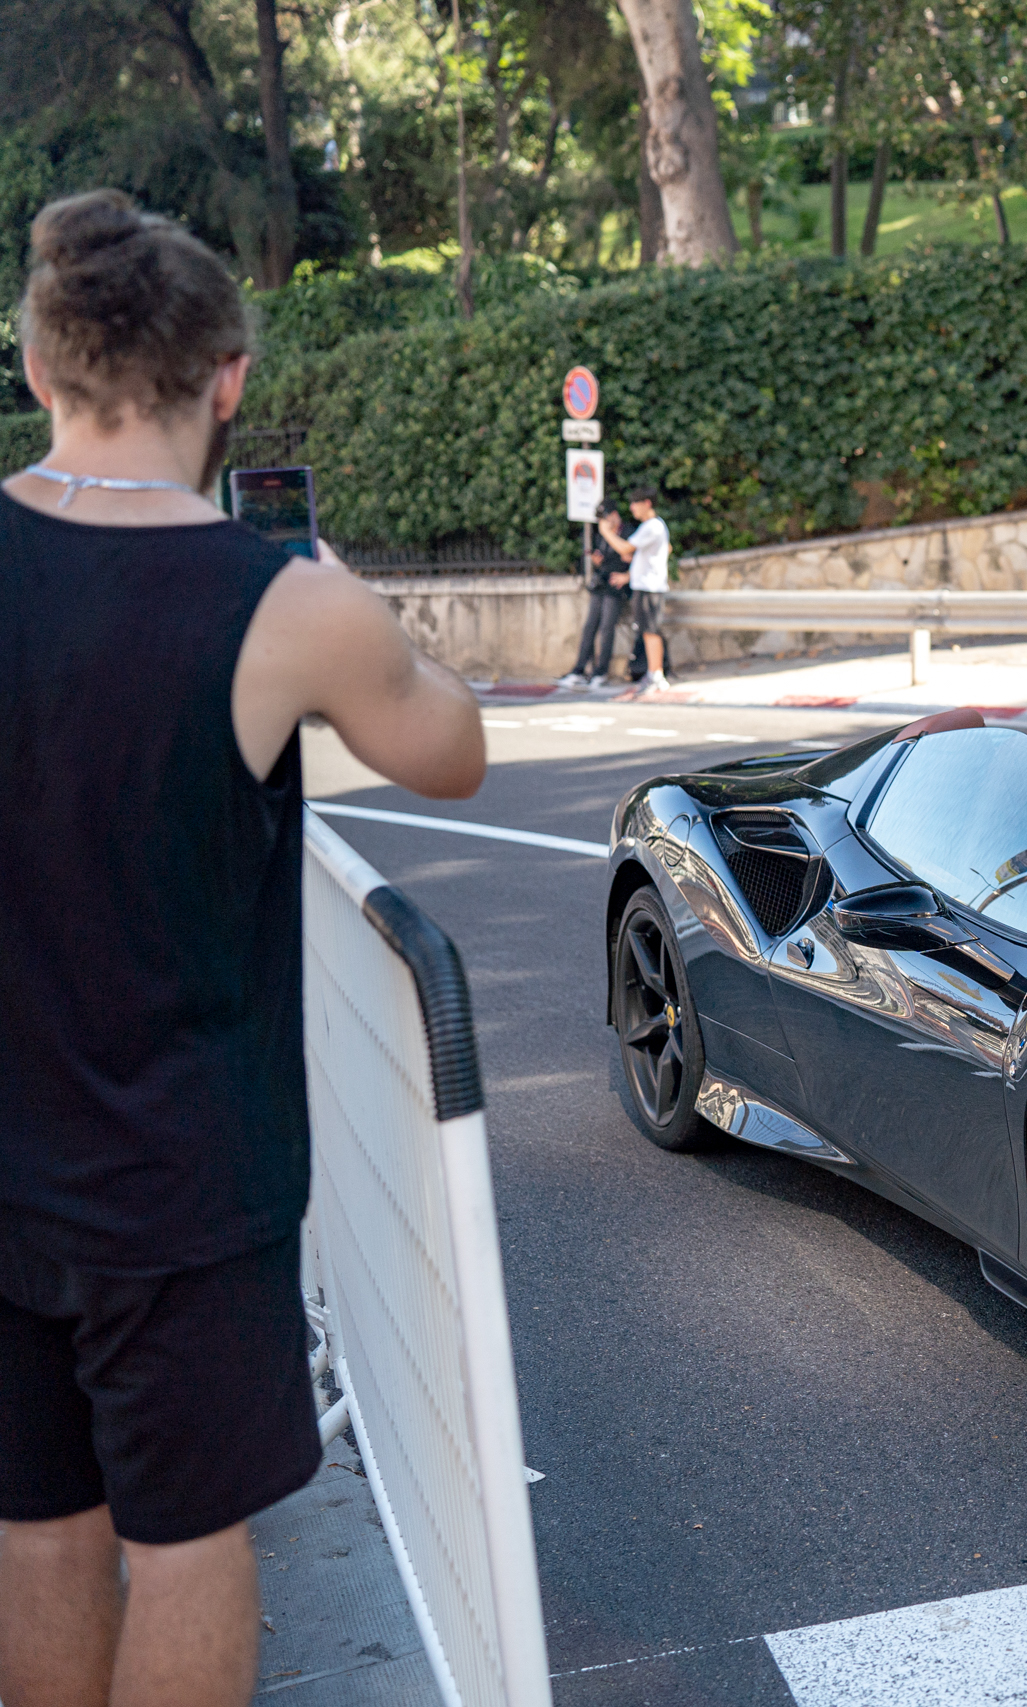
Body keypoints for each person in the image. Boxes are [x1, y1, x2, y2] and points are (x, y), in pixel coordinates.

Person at [1, 190, 486, 1707]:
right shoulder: (285, 606)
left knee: (36, 1530)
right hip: (188, 1178)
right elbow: (454, 750)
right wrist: (338, 586)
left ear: (38, 366)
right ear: (228, 380)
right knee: (191, 1539)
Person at [598, 488, 671, 690]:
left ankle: (656, 675)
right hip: (645, 585)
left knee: (651, 631)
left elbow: (624, 548)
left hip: (650, 587)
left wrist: (606, 532)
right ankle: (653, 673)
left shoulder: (652, 526)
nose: (631, 508)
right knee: (647, 632)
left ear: (647, 503)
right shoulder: (651, 527)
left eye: (635, 503)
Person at [559, 505, 629, 688]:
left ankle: (601, 671)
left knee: (607, 627)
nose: (602, 523)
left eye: (605, 518)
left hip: (616, 586)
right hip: (601, 584)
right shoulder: (601, 535)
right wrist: (598, 561)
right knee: (590, 626)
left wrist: (607, 533)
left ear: (614, 514)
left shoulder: (627, 531)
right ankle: (579, 670)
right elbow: (607, 558)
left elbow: (626, 555)